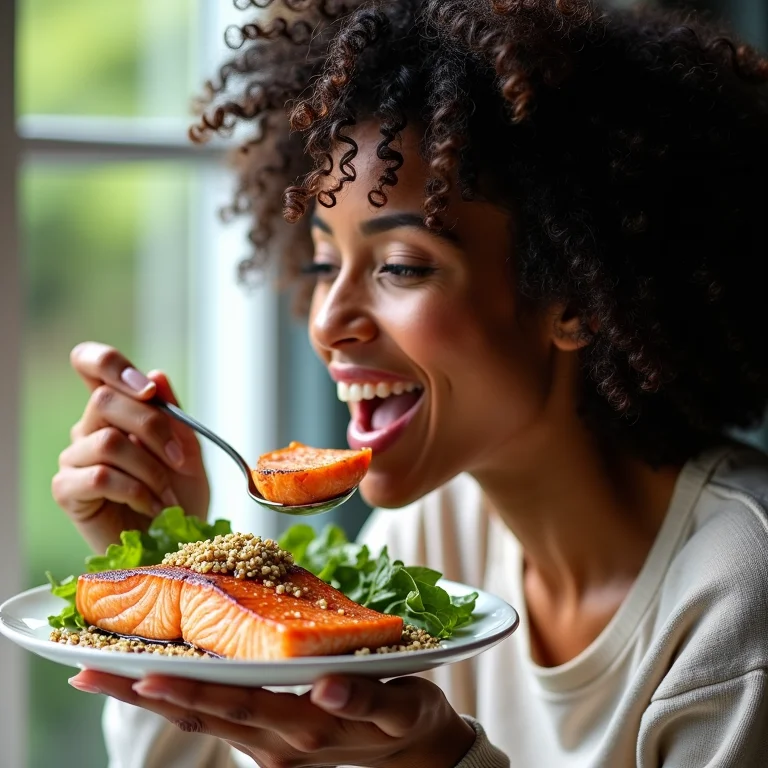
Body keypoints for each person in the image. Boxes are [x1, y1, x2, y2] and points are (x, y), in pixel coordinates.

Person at [52, 0, 768, 766]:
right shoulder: (439, 534)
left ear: (574, 297)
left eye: (401, 266)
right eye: (325, 262)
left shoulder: (737, 601)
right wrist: (161, 554)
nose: (329, 320)